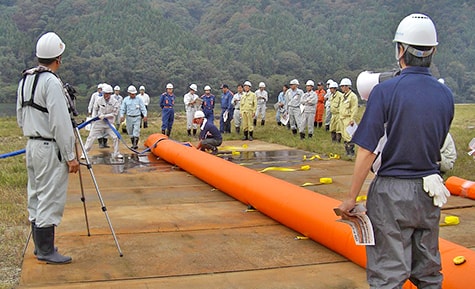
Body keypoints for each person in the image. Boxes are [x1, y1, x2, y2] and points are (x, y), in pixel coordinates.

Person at [337, 13, 454, 288]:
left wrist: (350, 198)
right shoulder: (445, 95)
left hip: (392, 192)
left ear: (400, 50)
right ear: (432, 51)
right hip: (430, 190)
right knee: (428, 272)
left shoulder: (385, 91)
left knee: (388, 274)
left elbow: (366, 151)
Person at [16, 32, 79, 264]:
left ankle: (40, 245)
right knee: (50, 197)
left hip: (31, 144)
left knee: (35, 195)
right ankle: (46, 250)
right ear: (58, 58)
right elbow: (61, 123)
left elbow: (20, 116)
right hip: (49, 146)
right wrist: (71, 156)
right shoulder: (51, 81)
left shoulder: (26, 79)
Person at [81, 84, 122, 159]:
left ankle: (116, 153)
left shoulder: (115, 102)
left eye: (108, 94)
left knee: (116, 137)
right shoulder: (99, 100)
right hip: (99, 122)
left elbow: (114, 113)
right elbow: (95, 109)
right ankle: (84, 153)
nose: (106, 95)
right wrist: (93, 119)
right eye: (105, 93)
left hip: (109, 123)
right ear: (103, 93)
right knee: (91, 137)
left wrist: (105, 116)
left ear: (110, 94)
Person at [120, 85, 147, 149]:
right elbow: (123, 108)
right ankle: (133, 143)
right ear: (129, 93)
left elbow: (143, 107)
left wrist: (145, 115)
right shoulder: (126, 100)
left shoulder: (139, 99)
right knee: (130, 131)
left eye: (134, 94)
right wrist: (122, 115)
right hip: (129, 117)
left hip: (137, 117)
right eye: (132, 94)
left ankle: (135, 144)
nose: (133, 95)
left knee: (136, 130)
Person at [338, 78, 359, 156]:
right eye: (341, 86)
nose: (342, 88)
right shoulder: (343, 96)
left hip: (348, 118)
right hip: (342, 118)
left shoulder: (352, 96)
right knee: (344, 135)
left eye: (343, 86)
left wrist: (352, 119)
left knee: (349, 135)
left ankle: (351, 152)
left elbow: (354, 108)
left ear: (347, 86)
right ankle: (347, 151)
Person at [88, 83, 109, 148]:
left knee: (106, 129)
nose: (100, 90)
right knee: (98, 129)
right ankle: (100, 143)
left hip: (105, 115)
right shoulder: (94, 95)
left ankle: (105, 142)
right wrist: (89, 110)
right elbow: (91, 103)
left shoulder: (106, 96)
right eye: (99, 89)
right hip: (97, 114)